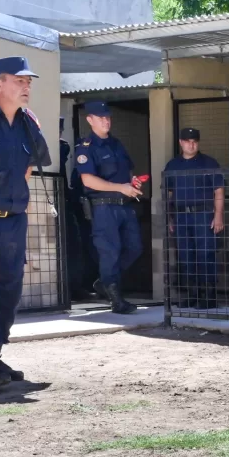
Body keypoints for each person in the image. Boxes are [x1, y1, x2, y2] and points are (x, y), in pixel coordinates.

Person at [0, 56, 51, 389]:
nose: (27, 86)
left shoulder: (28, 122)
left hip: (13, 221)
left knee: (9, 290)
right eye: (19, 80)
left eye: (28, 81)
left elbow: (29, 166)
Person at [75, 100, 143, 314]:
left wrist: (132, 182)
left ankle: (105, 282)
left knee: (134, 248)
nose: (106, 121)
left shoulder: (117, 144)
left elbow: (128, 172)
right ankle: (116, 300)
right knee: (110, 253)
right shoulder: (86, 148)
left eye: (107, 117)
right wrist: (120, 187)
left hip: (125, 206)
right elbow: (88, 180)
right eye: (101, 117)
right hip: (103, 208)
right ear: (90, 120)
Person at [164, 127, 225, 309]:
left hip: (203, 215)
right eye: (187, 141)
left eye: (194, 141)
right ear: (180, 143)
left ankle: (209, 296)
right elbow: (169, 193)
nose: (191, 145)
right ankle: (192, 294)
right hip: (181, 216)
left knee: (205, 254)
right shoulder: (173, 165)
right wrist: (170, 218)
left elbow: (219, 191)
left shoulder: (209, 163)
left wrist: (218, 216)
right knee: (185, 255)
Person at [60, 117, 93, 300]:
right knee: (73, 248)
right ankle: (73, 288)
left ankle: (79, 286)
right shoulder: (61, 147)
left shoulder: (64, 148)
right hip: (69, 208)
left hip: (80, 209)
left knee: (81, 249)